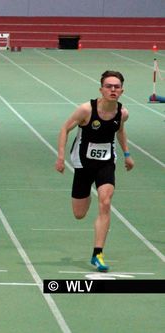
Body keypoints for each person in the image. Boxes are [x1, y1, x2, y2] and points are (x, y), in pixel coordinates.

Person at [55, 70, 134, 272]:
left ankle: (97, 253)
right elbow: (65, 128)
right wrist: (61, 157)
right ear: (101, 89)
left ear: (122, 90)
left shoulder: (122, 113)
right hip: (82, 163)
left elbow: (120, 131)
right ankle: (88, 192)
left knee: (105, 202)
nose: (113, 89)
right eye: (109, 86)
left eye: (116, 86)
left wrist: (126, 154)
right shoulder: (86, 110)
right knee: (79, 214)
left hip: (106, 163)